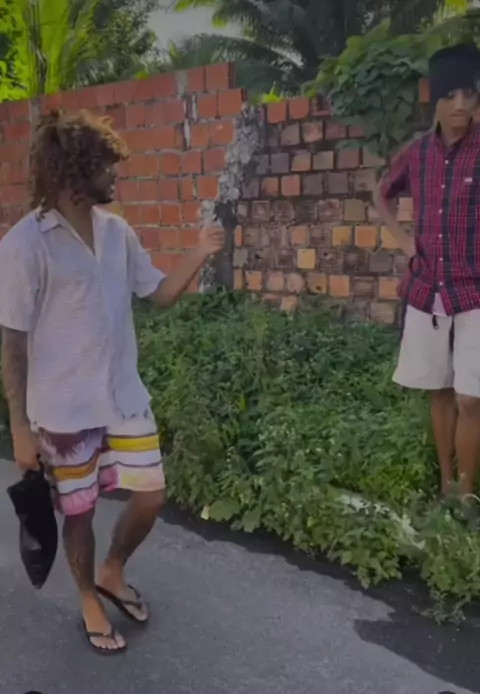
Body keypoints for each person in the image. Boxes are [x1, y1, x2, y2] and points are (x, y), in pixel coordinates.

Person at [0, 109, 224, 655]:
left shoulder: (117, 233)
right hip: (62, 411)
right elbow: (13, 344)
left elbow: (159, 294)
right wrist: (20, 429)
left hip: (122, 397)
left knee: (150, 495)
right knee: (78, 514)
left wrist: (199, 252)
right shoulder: (27, 245)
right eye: (106, 165)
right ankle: (88, 598)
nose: (116, 174)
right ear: (75, 172)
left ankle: (113, 569)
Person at [374, 43, 480, 501]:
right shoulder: (417, 155)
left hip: (476, 294)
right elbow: (380, 194)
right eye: (451, 95)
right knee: (439, 391)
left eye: (469, 94)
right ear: (434, 98)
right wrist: (403, 241)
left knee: (471, 398)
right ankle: (445, 485)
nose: (460, 105)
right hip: (428, 290)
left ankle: (467, 496)